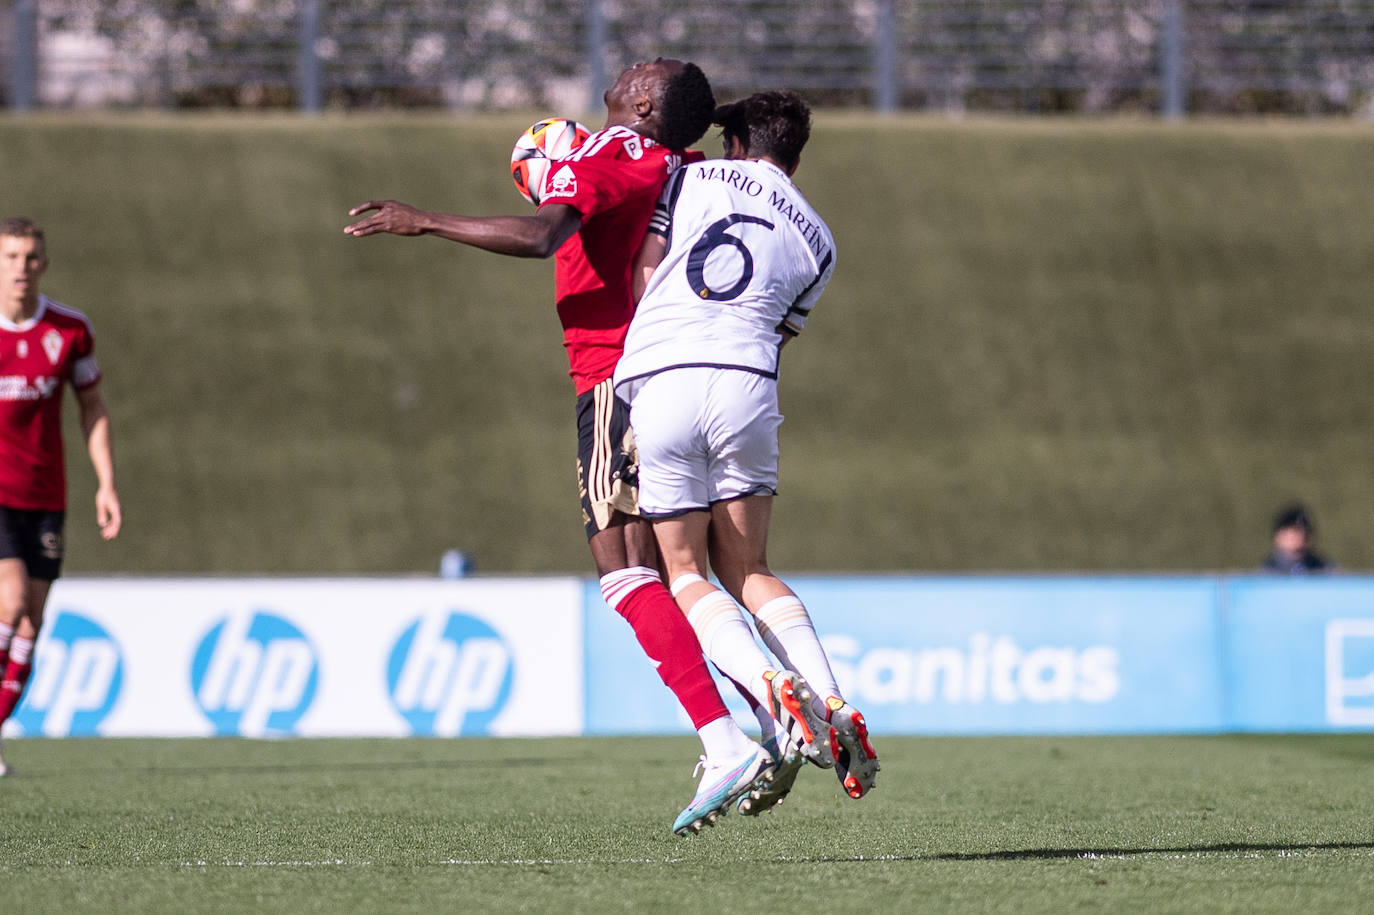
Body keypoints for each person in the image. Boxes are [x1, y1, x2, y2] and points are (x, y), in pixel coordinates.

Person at [344, 60, 808, 835]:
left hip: (615, 378)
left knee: (623, 571)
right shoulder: (681, 166)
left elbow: (543, 234)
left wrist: (425, 219)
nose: (628, 65)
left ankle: (730, 734)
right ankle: (770, 707)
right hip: (686, 377)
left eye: (641, 69)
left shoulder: (611, 154)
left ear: (643, 101)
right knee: (678, 573)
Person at [613, 90, 880, 805]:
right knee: (751, 566)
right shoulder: (820, 239)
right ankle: (830, 698)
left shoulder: (688, 178)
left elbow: (647, 267)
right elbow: (781, 332)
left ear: (734, 142)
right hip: (748, 386)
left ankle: (769, 687)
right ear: (796, 153)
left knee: (683, 570)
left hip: (667, 375)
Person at [0, 217, 122, 776]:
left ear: (43, 264)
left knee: (31, 626)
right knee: (11, 601)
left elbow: (91, 408)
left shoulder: (70, 331)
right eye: (11, 257)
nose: (21, 268)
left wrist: (107, 483)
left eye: (30, 257)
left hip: (46, 494)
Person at [1260, 504, 1332, 574]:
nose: (1300, 535)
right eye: (1295, 530)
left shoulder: (1324, 570)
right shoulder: (1265, 574)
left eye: (1305, 531)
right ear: (1279, 535)